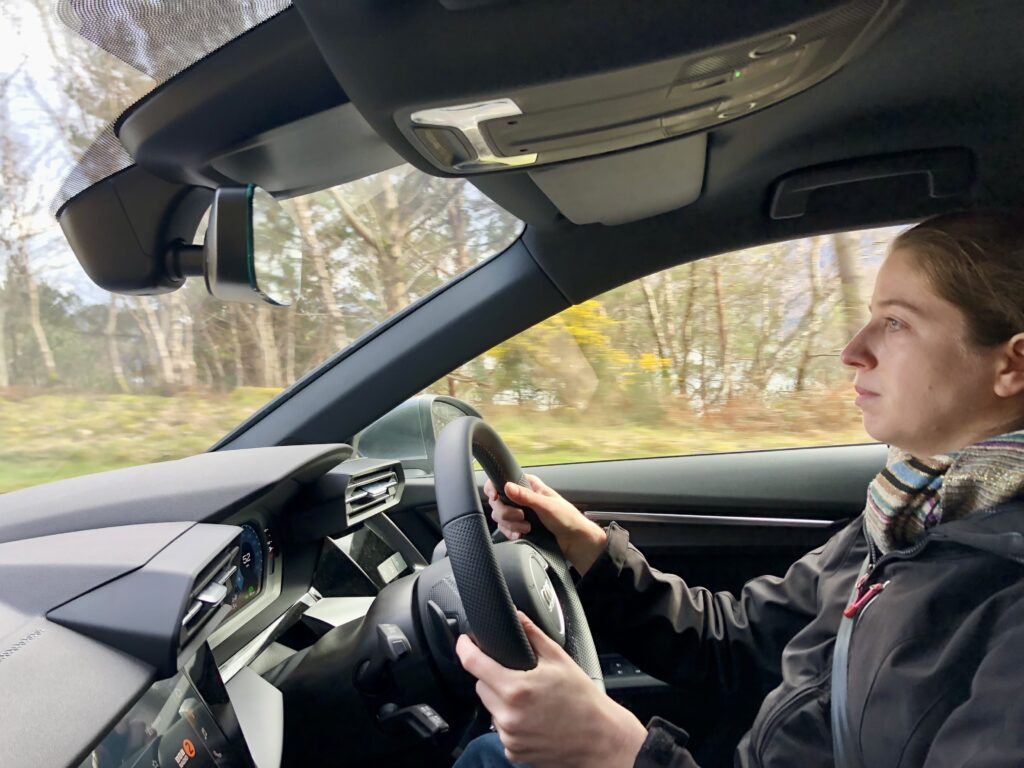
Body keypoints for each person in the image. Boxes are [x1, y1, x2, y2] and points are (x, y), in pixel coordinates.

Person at [453, 210, 1024, 768]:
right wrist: (591, 551)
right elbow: (740, 642)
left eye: (896, 323)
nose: (853, 350)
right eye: (871, 316)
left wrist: (618, 752)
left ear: (1012, 366)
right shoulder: (909, 513)